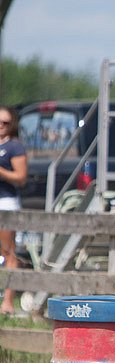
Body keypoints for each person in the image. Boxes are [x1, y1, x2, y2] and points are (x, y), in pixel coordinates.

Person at [0, 105, 28, 316]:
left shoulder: (14, 147)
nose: (1, 126)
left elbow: (20, 178)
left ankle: (8, 301)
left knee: (7, 251)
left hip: (6, 201)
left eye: (5, 123)